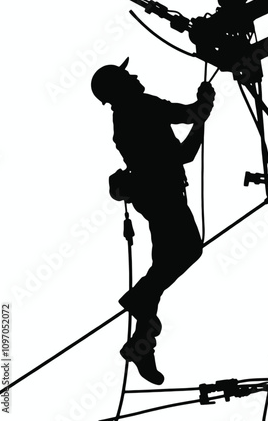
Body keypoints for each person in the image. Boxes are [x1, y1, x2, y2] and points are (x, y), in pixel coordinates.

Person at [91, 58, 215, 384]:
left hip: (153, 195)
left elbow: (187, 137)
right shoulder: (142, 106)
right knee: (188, 250)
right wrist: (203, 109)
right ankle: (138, 302)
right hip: (164, 195)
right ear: (119, 87)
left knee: (162, 267)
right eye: (127, 75)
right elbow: (187, 137)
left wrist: (201, 111)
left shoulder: (127, 115)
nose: (134, 75)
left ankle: (142, 342)